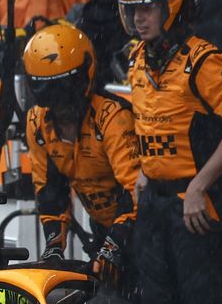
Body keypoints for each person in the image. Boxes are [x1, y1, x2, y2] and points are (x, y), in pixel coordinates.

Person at [116, 0, 222, 304]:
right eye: (133, 9)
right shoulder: (137, 58)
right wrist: (145, 170)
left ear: (172, 6)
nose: (139, 18)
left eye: (148, 8)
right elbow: (150, 120)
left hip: (197, 204)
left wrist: (198, 186)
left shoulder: (205, 60)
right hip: (153, 203)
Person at [20, 21, 137, 266]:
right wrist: (54, 248)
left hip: (144, 229)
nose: (60, 104)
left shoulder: (113, 117)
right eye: (49, 94)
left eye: (64, 91)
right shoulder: (36, 122)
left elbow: (135, 190)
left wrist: (113, 247)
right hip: (103, 229)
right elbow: (50, 192)